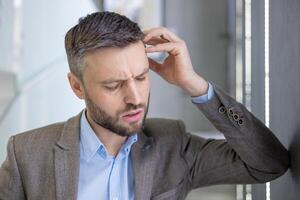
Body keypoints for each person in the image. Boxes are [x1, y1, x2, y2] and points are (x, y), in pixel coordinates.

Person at [0, 11, 289, 200]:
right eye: (113, 85)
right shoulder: (27, 153)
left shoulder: (173, 145)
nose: (135, 97)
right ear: (77, 86)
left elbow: (269, 164)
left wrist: (197, 86)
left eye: (141, 77)